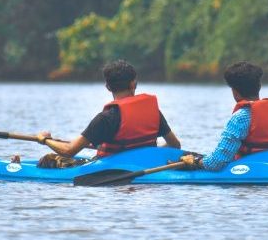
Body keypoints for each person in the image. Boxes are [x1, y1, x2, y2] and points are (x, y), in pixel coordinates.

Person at [36, 59, 181, 168]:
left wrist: (45, 139)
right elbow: (175, 145)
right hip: (147, 166)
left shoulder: (105, 119)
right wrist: (150, 152)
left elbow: (69, 151)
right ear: (133, 84)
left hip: (110, 169)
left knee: (47, 160)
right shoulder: (153, 112)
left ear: (107, 87)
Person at [177, 61, 268, 171]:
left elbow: (215, 163)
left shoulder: (240, 118)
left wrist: (196, 161)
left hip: (249, 171)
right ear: (259, 86)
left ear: (234, 92)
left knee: (188, 156)